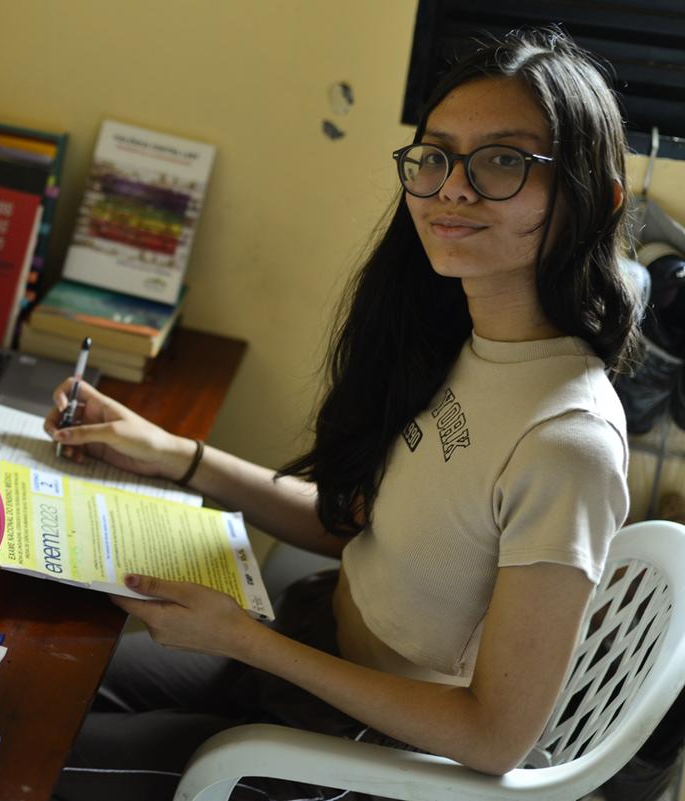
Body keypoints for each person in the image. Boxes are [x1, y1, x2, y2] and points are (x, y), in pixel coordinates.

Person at [46, 28, 640, 801]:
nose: (452, 187)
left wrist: (245, 640)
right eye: (435, 156)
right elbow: (359, 526)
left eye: (503, 160)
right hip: (308, 642)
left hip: (356, 755)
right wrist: (178, 455)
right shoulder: (466, 341)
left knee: (25, 750)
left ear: (596, 195)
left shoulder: (570, 443)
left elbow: (494, 735)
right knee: (45, 678)